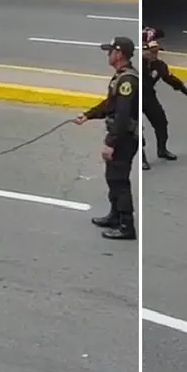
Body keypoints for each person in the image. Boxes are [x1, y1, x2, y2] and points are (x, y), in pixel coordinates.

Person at [75, 36, 139, 241]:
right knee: (112, 177)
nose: (107, 54)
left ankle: (127, 226)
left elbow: (122, 115)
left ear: (119, 54)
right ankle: (115, 215)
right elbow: (109, 104)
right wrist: (88, 115)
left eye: (110, 51)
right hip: (122, 136)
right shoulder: (121, 77)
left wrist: (110, 143)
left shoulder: (127, 80)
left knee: (119, 180)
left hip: (124, 138)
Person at [141, 37, 187, 170]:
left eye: (157, 52)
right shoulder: (137, 65)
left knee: (161, 122)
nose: (155, 55)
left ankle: (162, 150)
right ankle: (142, 159)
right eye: (152, 52)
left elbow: (169, 78)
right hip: (135, 97)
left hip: (149, 97)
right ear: (143, 52)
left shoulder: (159, 65)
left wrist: (184, 90)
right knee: (136, 129)